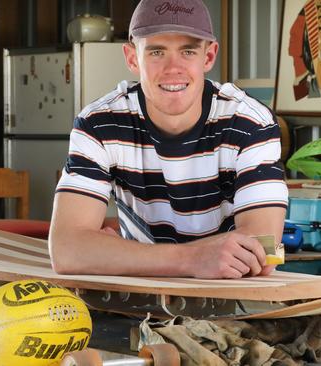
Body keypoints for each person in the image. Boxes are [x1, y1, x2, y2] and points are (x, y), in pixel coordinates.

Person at [49, 0, 288, 279]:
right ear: (132, 58)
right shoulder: (99, 123)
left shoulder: (250, 122)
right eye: (157, 52)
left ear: (208, 57)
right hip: (139, 300)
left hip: (232, 302)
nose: (173, 68)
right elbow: (67, 250)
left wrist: (113, 252)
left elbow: (264, 252)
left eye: (188, 51)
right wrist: (193, 259)